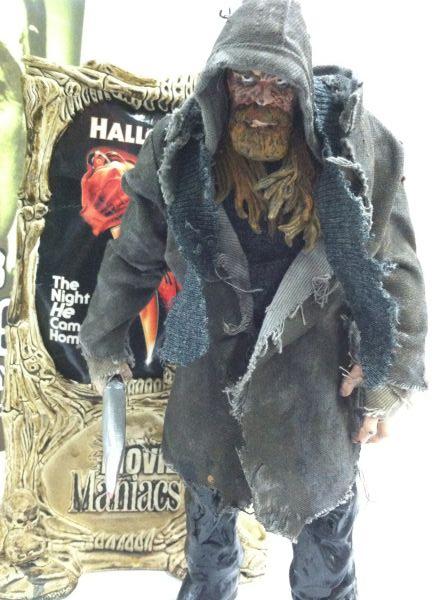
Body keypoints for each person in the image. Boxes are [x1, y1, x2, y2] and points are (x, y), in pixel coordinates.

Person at [79, 1, 428, 598]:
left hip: (313, 387)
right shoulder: (180, 151)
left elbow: (394, 269)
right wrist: (105, 339)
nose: (262, 99)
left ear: (302, 90)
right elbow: (135, 255)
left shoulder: (355, 153)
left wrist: (385, 375)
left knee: (325, 562)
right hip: (210, 376)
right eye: (246, 80)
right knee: (208, 551)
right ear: (221, 83)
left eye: (280, 85)